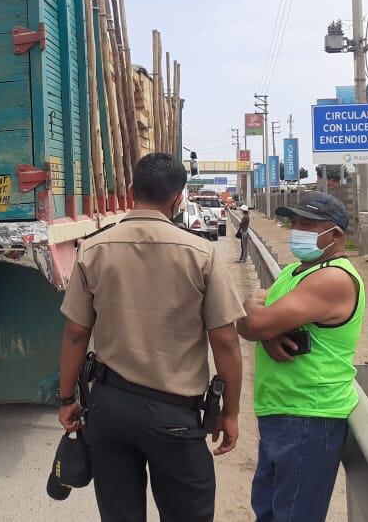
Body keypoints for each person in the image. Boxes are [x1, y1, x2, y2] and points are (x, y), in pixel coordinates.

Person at [57, 152, 246, 522]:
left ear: (131, 191)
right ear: (178, 199)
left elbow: (77, 333)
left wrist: (66, 399)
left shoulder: (93, 250)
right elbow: (225, 342)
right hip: (175, 415)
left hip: (109, 410)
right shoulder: (202, 254)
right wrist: (231, 412)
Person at [236, 191, 365, 522]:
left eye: (308, 224)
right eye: (294, 222)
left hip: (310, 415)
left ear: (335, 234)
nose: (297, 229)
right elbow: (249, 317)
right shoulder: (296, 272)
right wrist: (265, 331)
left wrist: (262, 325)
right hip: (283, 411)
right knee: (268, 511)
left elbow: (253, 320)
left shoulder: (333, 278)